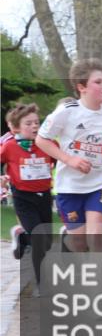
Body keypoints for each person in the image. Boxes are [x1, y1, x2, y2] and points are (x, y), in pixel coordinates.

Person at [36, 59, 102, 253]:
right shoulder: (67, 112)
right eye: (98, 82)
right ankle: (69, 243)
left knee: (96, 239)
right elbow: (41, 140)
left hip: (99, 183)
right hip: (69, 186)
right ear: (81, 87)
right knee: (80, 244)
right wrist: (70, 159)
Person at [2, 102, 55, 293]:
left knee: (46, 242)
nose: (34, 126)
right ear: (16, 128)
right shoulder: (9, 147)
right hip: (23, 198)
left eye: (36, 123)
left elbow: (61, 159)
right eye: (28, 123)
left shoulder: (47, 144)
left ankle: (22, 237)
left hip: (44, 197)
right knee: (40, 240)